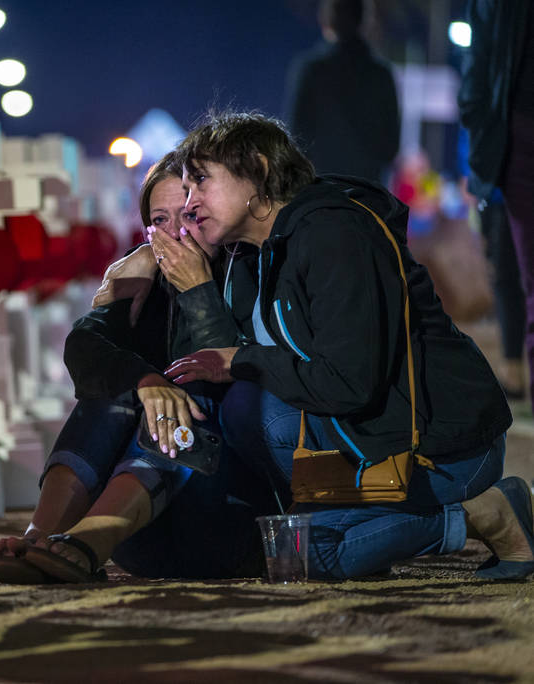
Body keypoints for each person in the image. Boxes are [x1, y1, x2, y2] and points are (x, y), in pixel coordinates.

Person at [166, 111, 532, 581]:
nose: (189, 202)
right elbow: (216, 367)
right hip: (360, 433)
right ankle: (356, 516)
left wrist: (244, 359)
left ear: (257, 170)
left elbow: (349, 384)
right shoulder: (250, 253)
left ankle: (484, 512)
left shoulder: (334, 235)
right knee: (243, 410)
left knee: (308, 554)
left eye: (199, 180)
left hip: (440, 446)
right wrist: (196, 288)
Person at [0, 152, 276, 583]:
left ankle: (90, 540)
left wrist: (197, 289)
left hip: (227, 524)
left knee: (192, 390)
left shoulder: (249, 273)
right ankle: (41, 537)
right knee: (114, 386)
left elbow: (230, 376)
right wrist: (145, 379)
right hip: (143, 541)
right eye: (160, 220)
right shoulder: (146, 284)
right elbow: (84, 344)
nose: (176, 232)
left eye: (189, 215)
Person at [459, 1, 534, 407]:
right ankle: (514, 367)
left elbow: (479, 66)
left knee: (516, 276)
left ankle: (514, 368)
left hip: (515, 138)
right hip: (515, 141)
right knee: (514, 273)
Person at [283, 0, 399, 184]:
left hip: (321, 191)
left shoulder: (311, 71)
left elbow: (296, 136)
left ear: (325, 20)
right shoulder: (381, 75)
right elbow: (391, 147)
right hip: (367, 194)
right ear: (365, 21)